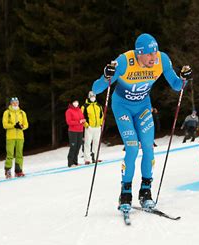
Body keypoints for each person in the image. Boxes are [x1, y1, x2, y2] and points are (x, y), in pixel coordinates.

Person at [92, 33, 192, 212]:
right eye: (149, 54)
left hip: (143, 107)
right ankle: (125, 192)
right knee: (131, 147)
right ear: (139, 53)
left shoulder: (162, 59)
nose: (154, 58)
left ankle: (146, 191)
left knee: (147, 146)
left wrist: (184, 78)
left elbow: (177, 86)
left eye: (155, 53)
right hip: (122, 107)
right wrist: (107, 75)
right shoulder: (124, 61)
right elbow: (96, 88)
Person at [2, 97, 28, 178]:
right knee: (10, 154)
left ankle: (18, 170)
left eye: (16, 102)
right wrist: (13, 126)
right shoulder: (7, 112)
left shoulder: (22, 113)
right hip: (10, 137)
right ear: (10, 103)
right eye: (13, 102)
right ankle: (8, 170)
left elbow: (26, 124)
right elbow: (5, 125)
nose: (15, 104)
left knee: (19, 154)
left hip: (20, 137)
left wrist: (21, 127)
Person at [81, 91, 103, 165]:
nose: (93, 98)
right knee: (87, 143)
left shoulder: (99, 106)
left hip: (97, 127)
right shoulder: (85, 106)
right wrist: (86, 125)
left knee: (96, 143)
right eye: (91, 96)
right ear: (89, 97)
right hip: (89, 127)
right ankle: (87, 159)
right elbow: (81, 117)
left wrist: (100, 124)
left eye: (94, 96)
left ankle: (96, 157)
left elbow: (101, 116)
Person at [66, 97, 85, 167]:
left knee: (78, 146)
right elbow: (69, 122)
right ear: (71, 103)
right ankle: (70, 163)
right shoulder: (69, 111)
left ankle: (75, 162)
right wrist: (78, 122)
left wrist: (83, 121)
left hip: (80, 130)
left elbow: (82, 118)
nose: (76, 103)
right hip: (73, 131)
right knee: (73, 147)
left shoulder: (79, 110)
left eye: (77, 101)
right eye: (74, 102)